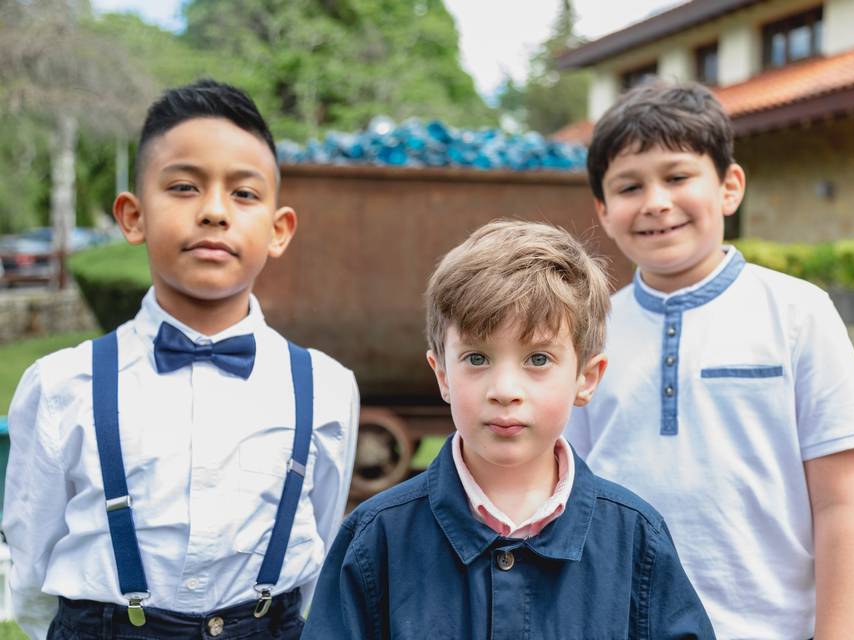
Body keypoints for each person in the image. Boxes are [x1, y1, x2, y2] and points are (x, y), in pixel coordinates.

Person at [2, 80, 359, 640]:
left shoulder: (325, 387)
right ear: (132, 216)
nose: (215, 212)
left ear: (278, 230)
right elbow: (32, 564)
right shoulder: (61, 385)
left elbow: (320, 536)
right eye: (185, 187)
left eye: (244, 194)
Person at [566, 81, 854, 639]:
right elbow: (568, 496)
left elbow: (842, 505)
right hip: (618, 624)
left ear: (730, 187)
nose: (656, 201)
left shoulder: (798, 313)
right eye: (629, 186)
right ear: (604, 211)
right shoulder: (588, 332)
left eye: (678, 176)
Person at [301, 220, 715, 639]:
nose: (504, 391)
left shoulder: (635, 539)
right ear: (442, 374)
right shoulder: (377, 537)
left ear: (586, 378)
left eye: (538, 359)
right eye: (477, 359)